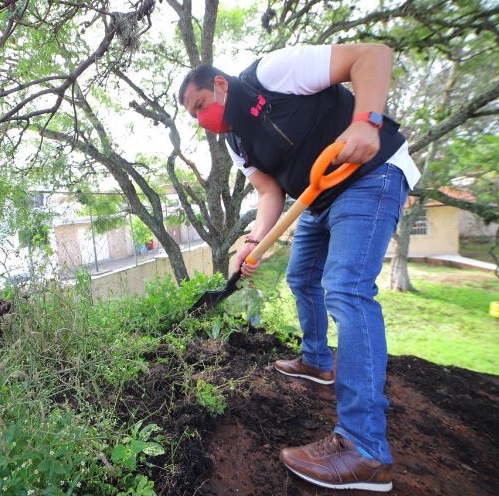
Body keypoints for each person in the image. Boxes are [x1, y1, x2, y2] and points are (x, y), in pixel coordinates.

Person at [178, 44, 420, 492]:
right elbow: (269, 195)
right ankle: (317, 361)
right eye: (193, 117)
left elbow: (373, 55)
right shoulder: (236, 143)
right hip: (319, 198)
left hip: (371, 174)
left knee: (345, 290)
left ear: (220, 84)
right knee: (302, 276)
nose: (201, 121)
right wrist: (254, 243)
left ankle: (364, 449)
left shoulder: (274, 73)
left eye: (200, 106)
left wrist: (366, 121)